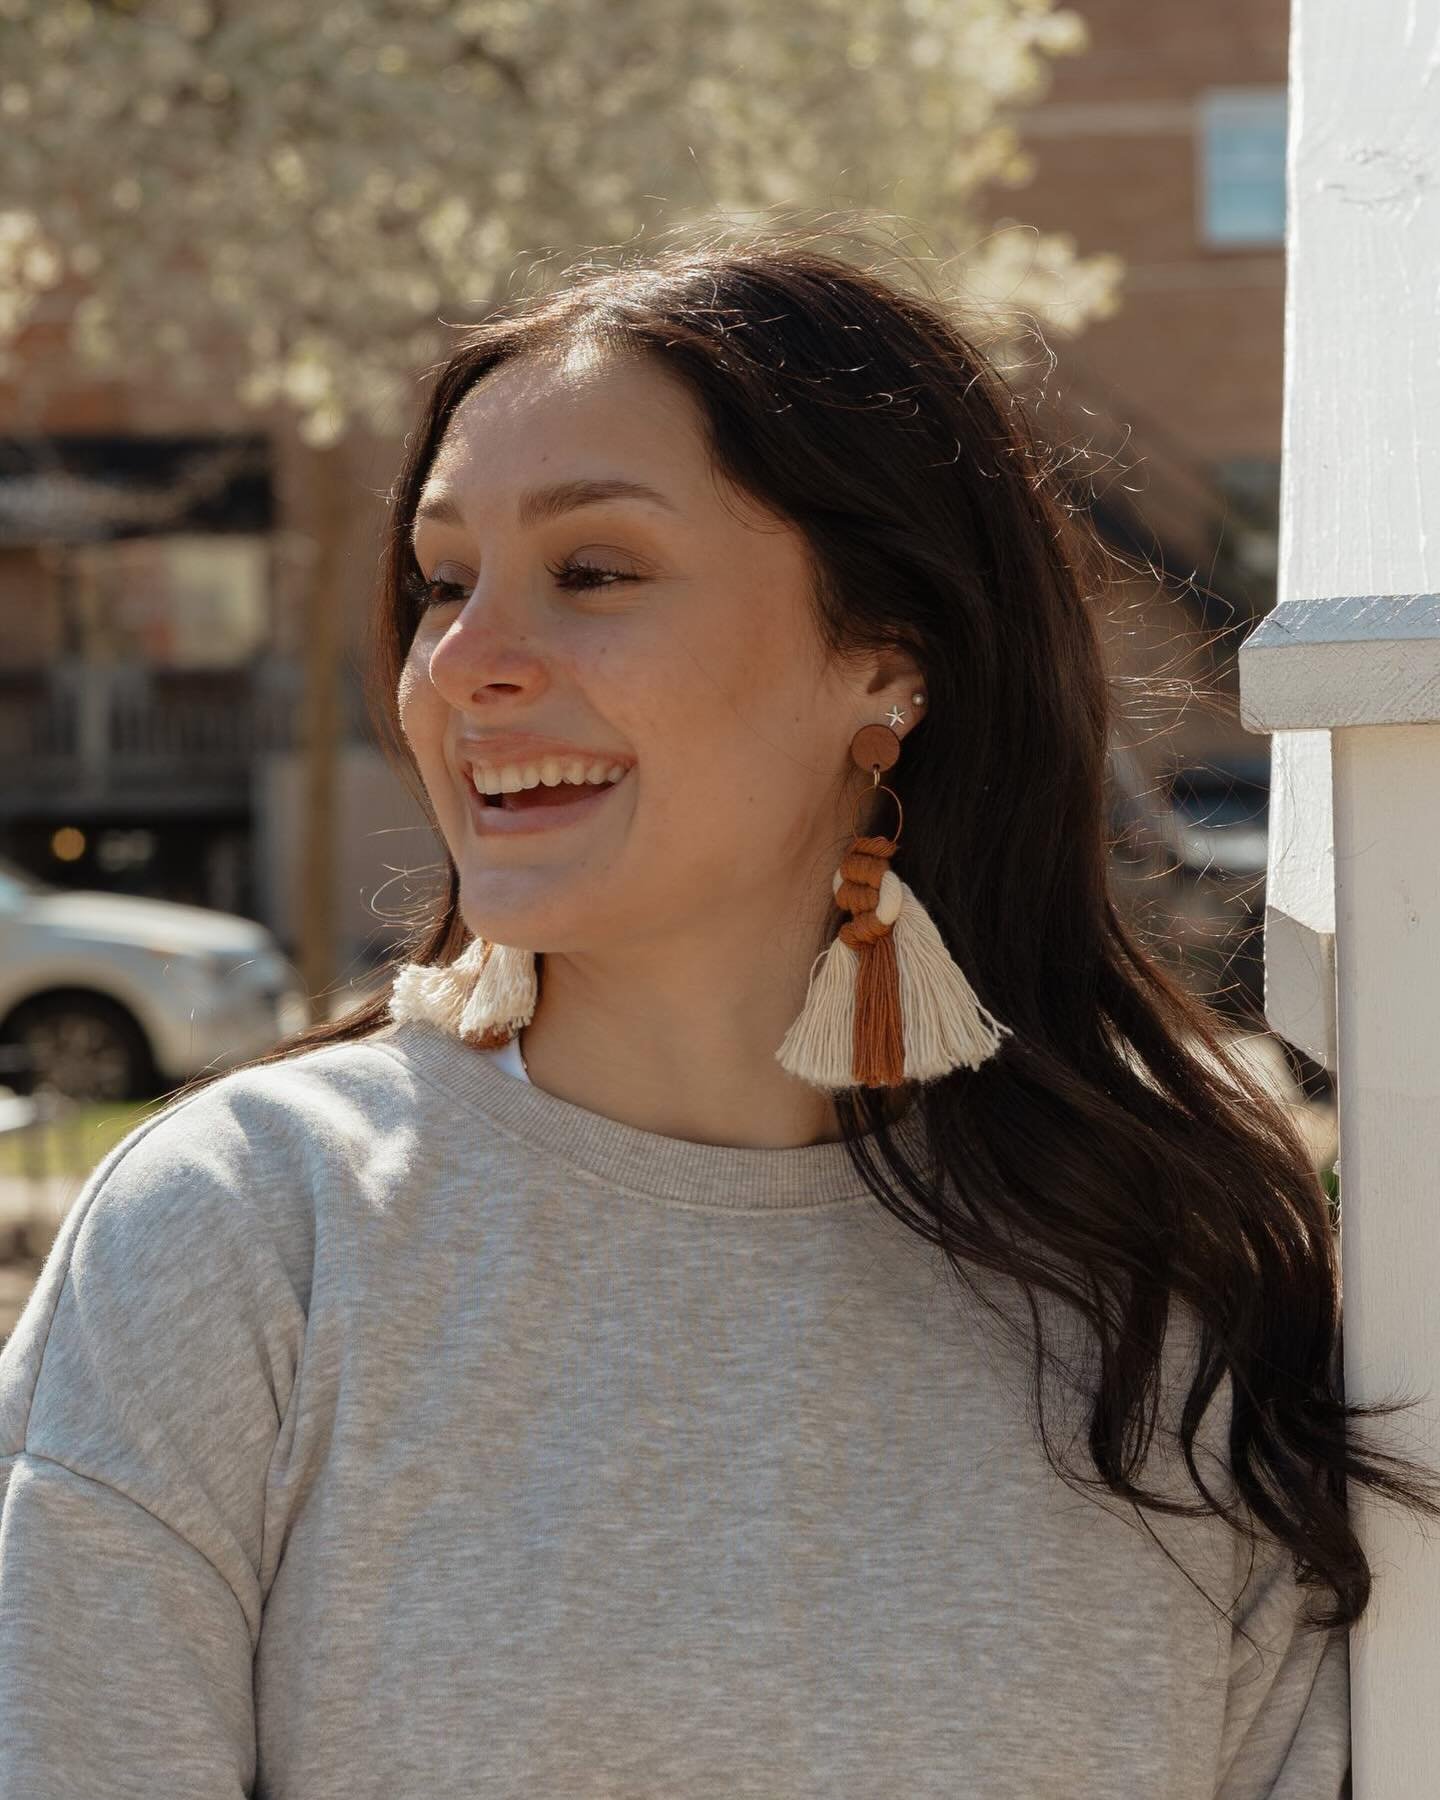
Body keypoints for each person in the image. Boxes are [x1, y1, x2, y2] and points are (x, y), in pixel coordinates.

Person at [1, 232, 1432, 1799]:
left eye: (593, 571)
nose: (464, 664)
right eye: (441, 582)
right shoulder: (243, 1235)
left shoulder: (1176, 1291)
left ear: (888, 663)